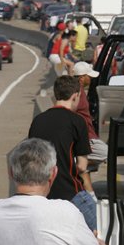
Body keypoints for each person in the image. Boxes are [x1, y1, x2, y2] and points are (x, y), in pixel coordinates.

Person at [29, 76, 97, 231]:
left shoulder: (38, 120)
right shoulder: (77, 121)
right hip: (69, 191)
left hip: (43, 192)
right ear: (75, 96)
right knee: (94, 231)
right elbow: (81, 166)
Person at [74, 61, 108, 167]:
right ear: (82, 77)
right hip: (86, 136)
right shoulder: (77, 92)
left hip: (87, 134)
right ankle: (73, 163)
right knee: (105, 153)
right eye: (89, 76)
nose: (91, 79)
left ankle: (78, 164)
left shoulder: (80, 91)